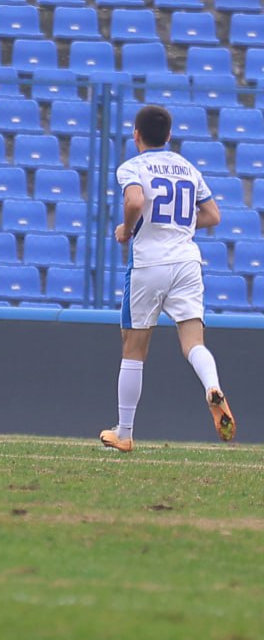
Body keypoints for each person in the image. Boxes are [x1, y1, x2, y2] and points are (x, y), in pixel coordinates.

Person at [102, 104, 235, 452]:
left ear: (136, 135)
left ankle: (125, 432)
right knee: (193, 342)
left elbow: (134, 199)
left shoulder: (132, 167)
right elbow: (213, 215)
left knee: (134, 348)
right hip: (187, 261)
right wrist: (181, 225)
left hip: (149, 264)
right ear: (169, 136)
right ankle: (212, 387)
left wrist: (127, 229)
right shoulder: (187, 167)